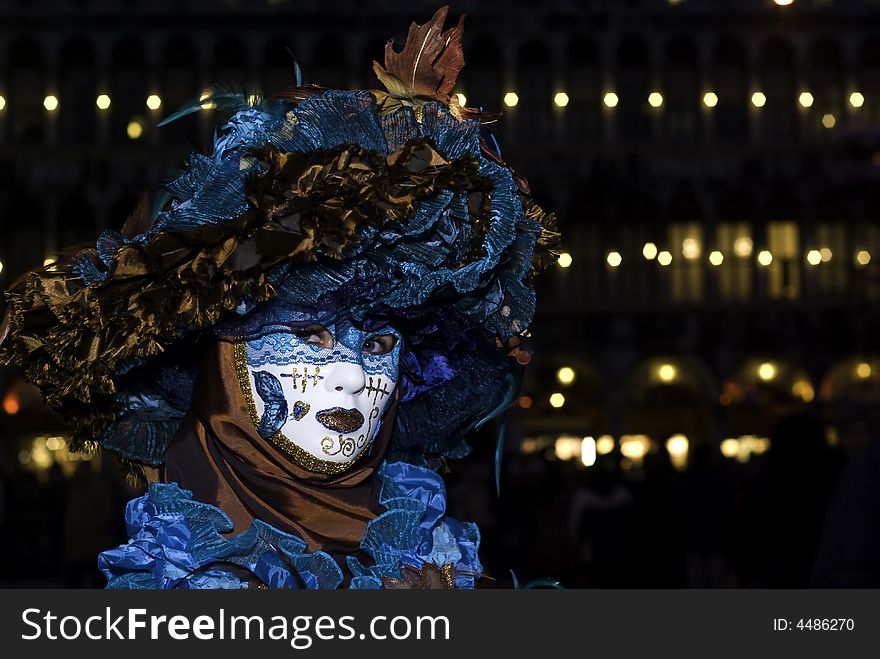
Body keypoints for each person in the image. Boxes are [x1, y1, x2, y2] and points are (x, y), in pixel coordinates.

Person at [0, 7, 558, 589]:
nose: (348, 377)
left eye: (378, 342)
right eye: (305, 336)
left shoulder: (439, 560)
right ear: (222, 365)